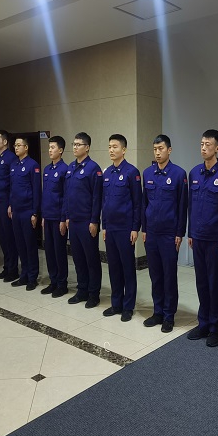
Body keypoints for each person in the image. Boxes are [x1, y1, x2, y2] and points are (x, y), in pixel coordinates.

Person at [186, 129, 218, 348]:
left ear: (217, 148)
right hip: (198, 237)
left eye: (208, 144)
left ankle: (215, 327)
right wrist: (191, 233)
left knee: (215, 283)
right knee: (201, 282)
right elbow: (191, 206)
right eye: (201, 144)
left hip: (216, 240)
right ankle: (203, 323)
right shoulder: (194, 173)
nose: (203, 148)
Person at [142, 135, 188, 333]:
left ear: (169, 150)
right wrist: (144, 229)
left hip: (169, 234)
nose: (157, 152)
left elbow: (182, 206)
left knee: (169, 276)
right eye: (155, 149)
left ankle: (169, 315)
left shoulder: (179, 174)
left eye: (161, 148)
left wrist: (179, 232)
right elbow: (144, 203)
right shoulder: (147, 173)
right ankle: (158, 312)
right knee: (155, 275)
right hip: (151, 233)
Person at [101, 134, 142, 322]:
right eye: (110, 146)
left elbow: (137, 203)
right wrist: (104, 226)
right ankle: (116, 303)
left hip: (125, 228)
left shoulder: (132, 172)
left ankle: (128, 306)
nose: (111, 150)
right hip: (110, 228)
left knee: (127, 268)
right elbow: (104, 202)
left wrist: (135, 228)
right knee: (114, 267)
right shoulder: (107, 173)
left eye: (115, 147)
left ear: (124, 150)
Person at [63, 132, 103, 308]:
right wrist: (66, 216)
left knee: (91, 259)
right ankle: (82, 290)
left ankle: (94, 294)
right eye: (74, 144)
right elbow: (67, 195)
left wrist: (94, 221)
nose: (75, 147)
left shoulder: (93, 168)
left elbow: (97, 197)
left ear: (87, 147)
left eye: (78, 144)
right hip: (73, 221)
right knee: (78, 258)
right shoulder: (71, 167)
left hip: (87, 222)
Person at [8, 136, 41, 291]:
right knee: (20, 244)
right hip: (16, 210)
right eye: (15, 145)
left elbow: (36, 190)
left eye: (19, 145)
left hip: (28, 211)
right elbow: (12, 188)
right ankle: (24, 275)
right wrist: (10, 205)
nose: (16, 148)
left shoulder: (32, 165)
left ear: (26, 147)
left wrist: (35, 213)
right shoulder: (14, 165)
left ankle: (32, 277)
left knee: (30, 245)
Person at [41, 136, 69, 298]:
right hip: (48, 216)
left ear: (61, 150)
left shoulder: (65, 169)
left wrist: (63, 218)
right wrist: (43, 215)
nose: (50, 150)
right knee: (49, 251)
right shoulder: (47, 169)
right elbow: (45, 194)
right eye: (49, 147)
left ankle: (62, 284)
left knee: (59, 251)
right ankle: (53, 281)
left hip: (58, 217)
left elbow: (65, 197)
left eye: (53, 147)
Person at [0, 130, 19, 281]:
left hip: (6, 203)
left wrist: (10, 204)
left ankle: (13, 270)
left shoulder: (11, 158)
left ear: (5, 142)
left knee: (9, 237)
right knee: (2, 237)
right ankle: (6, 267)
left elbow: (13, 183)